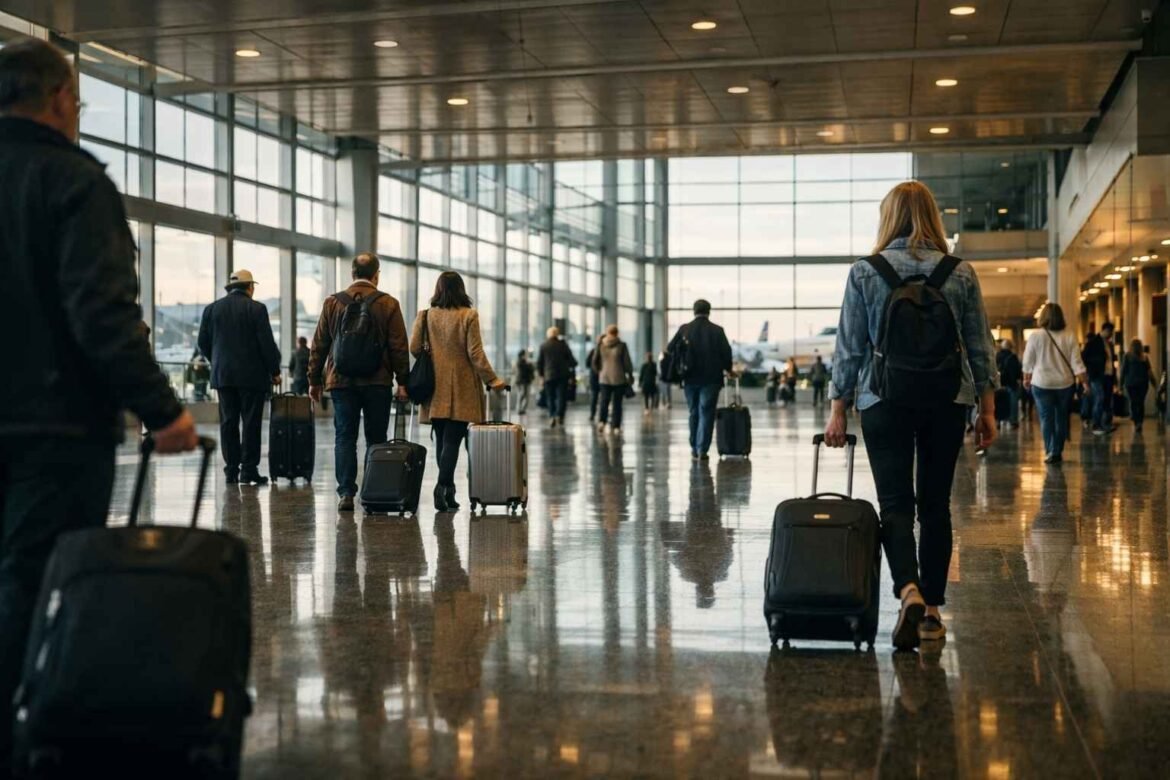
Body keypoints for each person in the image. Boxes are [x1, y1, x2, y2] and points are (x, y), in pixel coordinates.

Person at [0, 39, 199, 773]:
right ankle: (25, 740)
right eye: (80, 102)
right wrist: (162, 409)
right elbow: (100, 312)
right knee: (33, 582)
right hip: (53, 429)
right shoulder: (72, 182)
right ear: (57, 100)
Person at [825, 181, 999, 651]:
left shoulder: (866, 271)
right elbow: (980, 345)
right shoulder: (959, 272)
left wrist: (838, 408)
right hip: (947, 397)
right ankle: (934, 613)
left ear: (888, 218)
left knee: (896, 505)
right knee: (936, 504)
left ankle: (909, 591)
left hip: (883, 398)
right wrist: (987, 408)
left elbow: (849, 347)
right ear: (933, 217)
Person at [308, 253, 410, 511]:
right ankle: (373, 492)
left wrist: (314, 380)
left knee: (345, 437)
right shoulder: (388, 304)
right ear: (377, 274)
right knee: (376, 438)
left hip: (341, 381)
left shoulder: (333, 303)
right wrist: (403, 381)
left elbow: (319, 344)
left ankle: (346, 493)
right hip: (378, 381)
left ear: (352, 274)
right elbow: (399, 346)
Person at [410, 271, 506, 512]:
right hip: (462, 386)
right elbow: (475, 353)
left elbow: (413, 347)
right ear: (461, 289)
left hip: (435, 386)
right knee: (453, 440)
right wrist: (493, 380)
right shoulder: (468, 316)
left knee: (442, 439)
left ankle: (448, 492)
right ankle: (442, 488)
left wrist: (432, 354)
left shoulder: (426, 315)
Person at [198, 268, 282, 485]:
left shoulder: (211, 309)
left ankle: (231, 470)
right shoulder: (256, 309)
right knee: (251, 423)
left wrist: (217, 361)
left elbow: (203, 343)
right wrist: (274, 371)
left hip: (223, 376)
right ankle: (249, 471)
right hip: (252, 377)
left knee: (228, 422)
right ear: (250, 287)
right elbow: (266, 344)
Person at [666, 299, 733, 460]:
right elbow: (726, 353)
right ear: (709, 311)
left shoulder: (685, 329)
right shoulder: (717, 330)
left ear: (694, 311)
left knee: (693, 412)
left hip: (689, 378)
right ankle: (702, 449)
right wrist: (728, 370)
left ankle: (694, 446)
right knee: (706, 412)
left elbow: (670, 348)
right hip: (711, 379)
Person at [1022, 304, 1088, 463]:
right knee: (1061, 417)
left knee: (1046, 418)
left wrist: (1026, 378)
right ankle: (1057, 450)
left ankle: (1050, 450)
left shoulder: (1035, 336)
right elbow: (1076, 363)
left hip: (1041, 383)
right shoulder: (1069, 335)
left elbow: (1028, 361)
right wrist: (1085, 382)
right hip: (1065, 384)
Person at [591, 324, 634, 435]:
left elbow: (594, 361)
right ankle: (616, 426)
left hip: (604, 378)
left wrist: (600, 371)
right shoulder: (622, 345)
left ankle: (602, 422)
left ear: (607, 332)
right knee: (617, 403)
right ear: (617, 333)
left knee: (604, 401)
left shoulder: (601, 344)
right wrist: (630, 374)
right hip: (619, 378)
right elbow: (626, 362)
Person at [1081, 321, 1117, 435]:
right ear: (1105, 330)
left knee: (1107, 399)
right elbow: (1084, 357)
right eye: (1110, 332)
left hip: (1109, 375)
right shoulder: (1093, 343)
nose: (1111, 334)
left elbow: (1111, 360)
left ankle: (1105, 423)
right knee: (1099, 398)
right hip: (1097, 375)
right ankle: (1096, 424)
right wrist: (1090, 369)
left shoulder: (1109, 344)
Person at [537, 327, 576, 428]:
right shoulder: (563, 345)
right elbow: (571, 360)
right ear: (557, 334)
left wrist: (541, 376)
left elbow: (540, 363)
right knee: (561, 397)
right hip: (562, 375)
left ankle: (551, 415)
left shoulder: (543, 346)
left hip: (548, 375)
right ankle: (560, 415)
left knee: (550, 397)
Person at [1121, 338, 1155, 433]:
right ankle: (1139, 421)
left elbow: (1123, 371)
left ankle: (1136, 420)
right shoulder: (1144, 357)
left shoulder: (1127, 356)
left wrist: (1120, 384)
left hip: (1131, 383)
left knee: (1134, 402)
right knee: (1140, 402)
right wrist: (1154, 383)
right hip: (1142, 383)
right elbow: (1149, 372)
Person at [996, 338, 1023, 428]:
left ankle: (998, 421)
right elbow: (1017, 370)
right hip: (1011, 383)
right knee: (1013, 402)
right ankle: (1013, 421)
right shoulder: (1013, 356)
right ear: (1011, 347)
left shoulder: (997, 356)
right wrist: (1018, 380)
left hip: (1000, 383)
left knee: (998, 402)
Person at [513, 349, 536, 415]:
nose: (527, 356)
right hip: (521, 381)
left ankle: (523, 409)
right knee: (521, 394)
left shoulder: (527, 362)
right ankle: (519, 409)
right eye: (525, 354)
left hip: (527, 381)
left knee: (527, 396)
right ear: (522, 355)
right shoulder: (520, 362)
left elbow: (532, 369)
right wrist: (529, 364)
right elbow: (525, 369)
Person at [586, 335, 602, 421]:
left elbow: (587, 363)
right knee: (604, 397)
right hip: (603, 377)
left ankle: (592, 414)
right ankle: (603, 414)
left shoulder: (593, 351)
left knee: (594, 396)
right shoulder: (606, 351)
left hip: (594, 377)